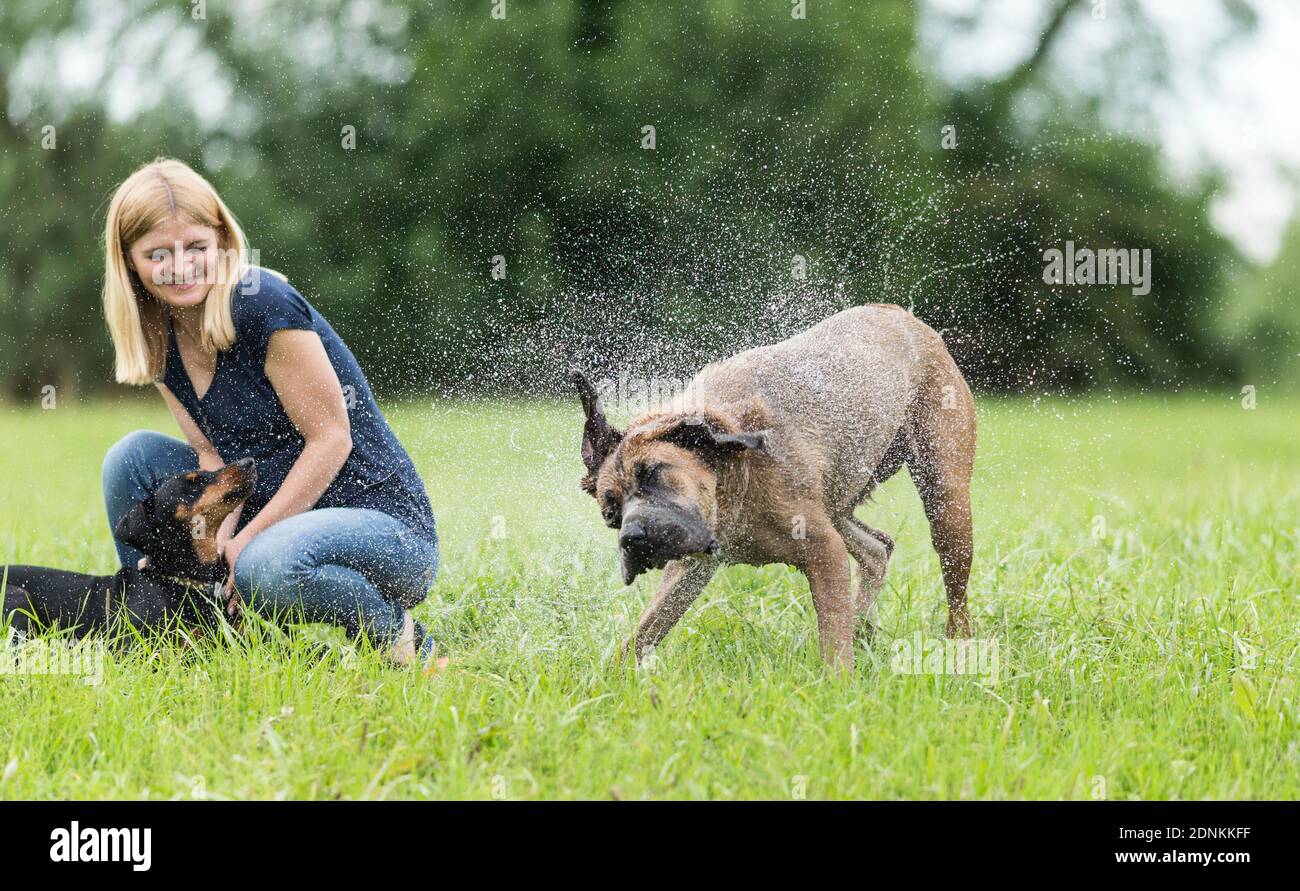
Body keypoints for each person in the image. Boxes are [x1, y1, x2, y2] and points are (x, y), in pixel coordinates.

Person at [100, 157, 439, 667]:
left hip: (384, 530)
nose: (181, 265)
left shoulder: (260, 302)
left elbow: (331, 439)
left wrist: (247, 541)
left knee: (265, 567)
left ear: (221, 241)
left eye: (196, 247)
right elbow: (212, 458)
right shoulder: (157, 335)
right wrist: (224, 541)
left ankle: (405, 640)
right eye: (157, 254)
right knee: (130, 459)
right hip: (277, 513)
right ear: (128, 261)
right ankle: (179, 631)